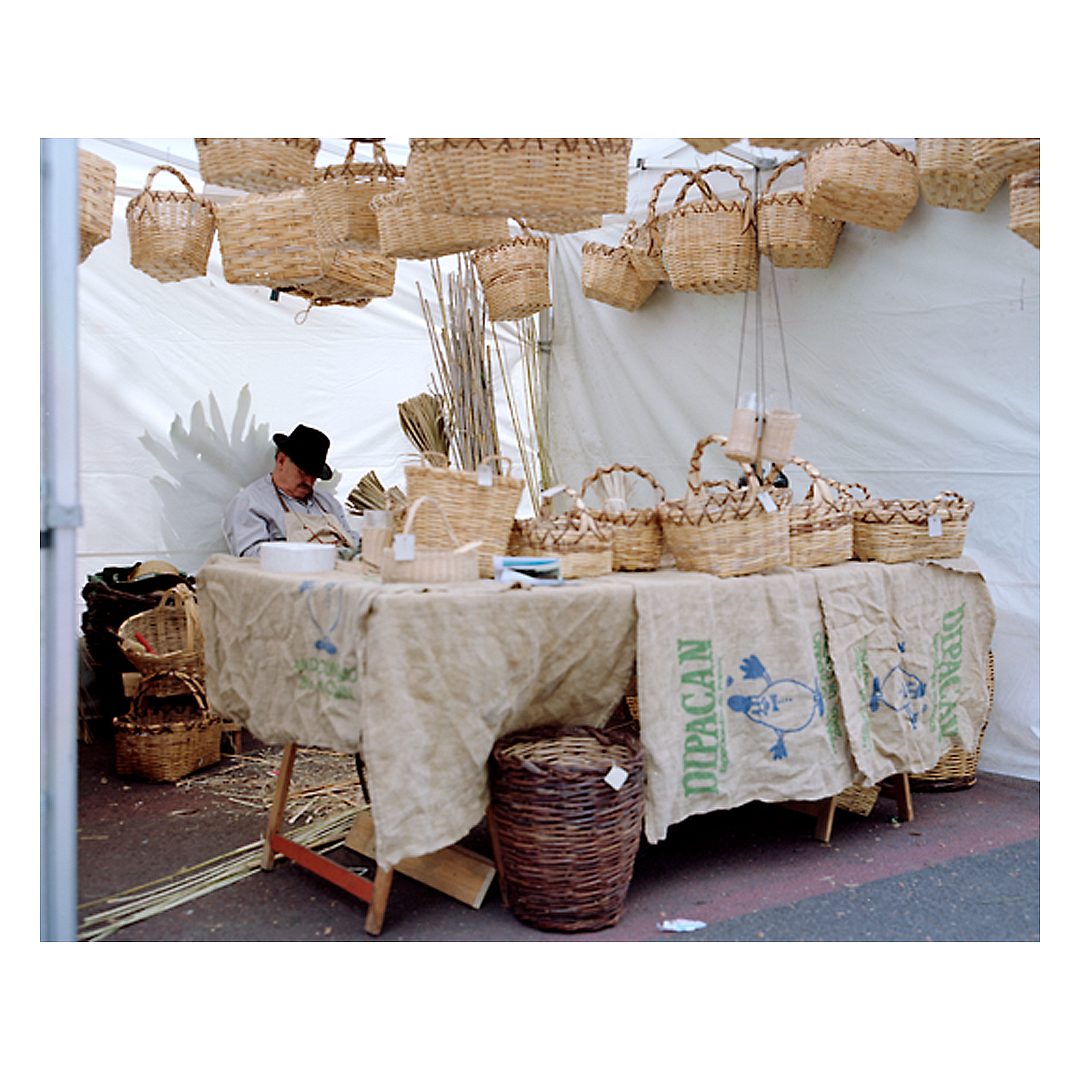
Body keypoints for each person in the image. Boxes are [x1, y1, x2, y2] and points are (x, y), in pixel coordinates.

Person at [223, 424, 359, 558]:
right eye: (303, 473)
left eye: (314, 476)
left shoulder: (328, 503)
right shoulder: (251, 502)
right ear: (281, 461)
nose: (309, 482)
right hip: (288, 577)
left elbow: (352, 542)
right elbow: (252, 557)